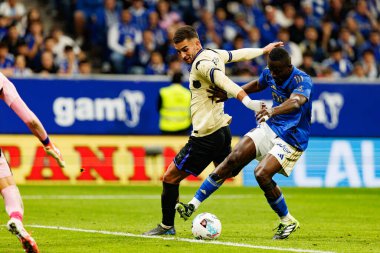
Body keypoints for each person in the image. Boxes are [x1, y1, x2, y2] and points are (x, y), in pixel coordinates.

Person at [143, 25, 282, 236]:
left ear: (197, 44)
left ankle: (166, 226)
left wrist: (248, 102)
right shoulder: (214, 54)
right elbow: (238, 54)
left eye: (185, 49)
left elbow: (222, 80)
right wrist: (263, 50)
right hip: (221, 130)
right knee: (227, 170)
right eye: (179, 51)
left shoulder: (201, 63)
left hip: (204, 137)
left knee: (170, 177)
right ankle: (252, 151)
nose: (182, 55)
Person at [176, 47, 313, 240]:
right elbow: (258, 84)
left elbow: (296, 102)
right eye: (270, 70)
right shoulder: (271, 72)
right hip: (271, 127)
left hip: (292, 137)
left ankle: (287, 220)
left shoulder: (302, 80)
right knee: (233, 159)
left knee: (262, 174)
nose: (273, 74)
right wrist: (230, 94)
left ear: (288, 67)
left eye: (277, 71)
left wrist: (272, 111)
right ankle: (192, 204)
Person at [0, 71, 65, 252]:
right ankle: (15, 219)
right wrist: (48, 143)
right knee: (8, 188)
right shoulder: (2, 81)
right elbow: (30, 120)